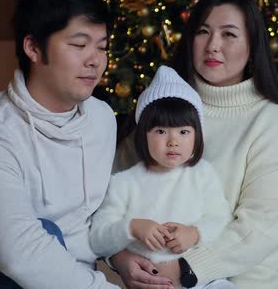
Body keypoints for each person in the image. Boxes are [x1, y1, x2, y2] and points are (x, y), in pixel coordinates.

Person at [111, 0, 278, 288]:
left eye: (229, 34)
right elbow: (112, 194)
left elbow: (260, 229)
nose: (213, 45)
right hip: (158, 277)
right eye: (203, 32)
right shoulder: (163, 109)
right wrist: (120, 258)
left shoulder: (271, 122)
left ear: (253, 45)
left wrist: (185, 269)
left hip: (250, 280)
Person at [0, 0, 119, 289]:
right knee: (44, 230)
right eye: (79, 45)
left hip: (70, 276)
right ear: (33, 48)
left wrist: (122, 257)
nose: (95, 60)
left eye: (101, 47)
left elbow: (100, 214)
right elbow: (21, 253)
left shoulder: (102, 118)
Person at [90, 66, 236, 289]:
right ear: (143, 135)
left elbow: (220, 217)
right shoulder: (124, 183)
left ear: (197, 136)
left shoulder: (202, 175)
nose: (173, 141)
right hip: (150, 282)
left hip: (203, 281)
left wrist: (195, 233)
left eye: (183, 132)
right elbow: (97, 238)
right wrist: (131, 227)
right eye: (161, 131)